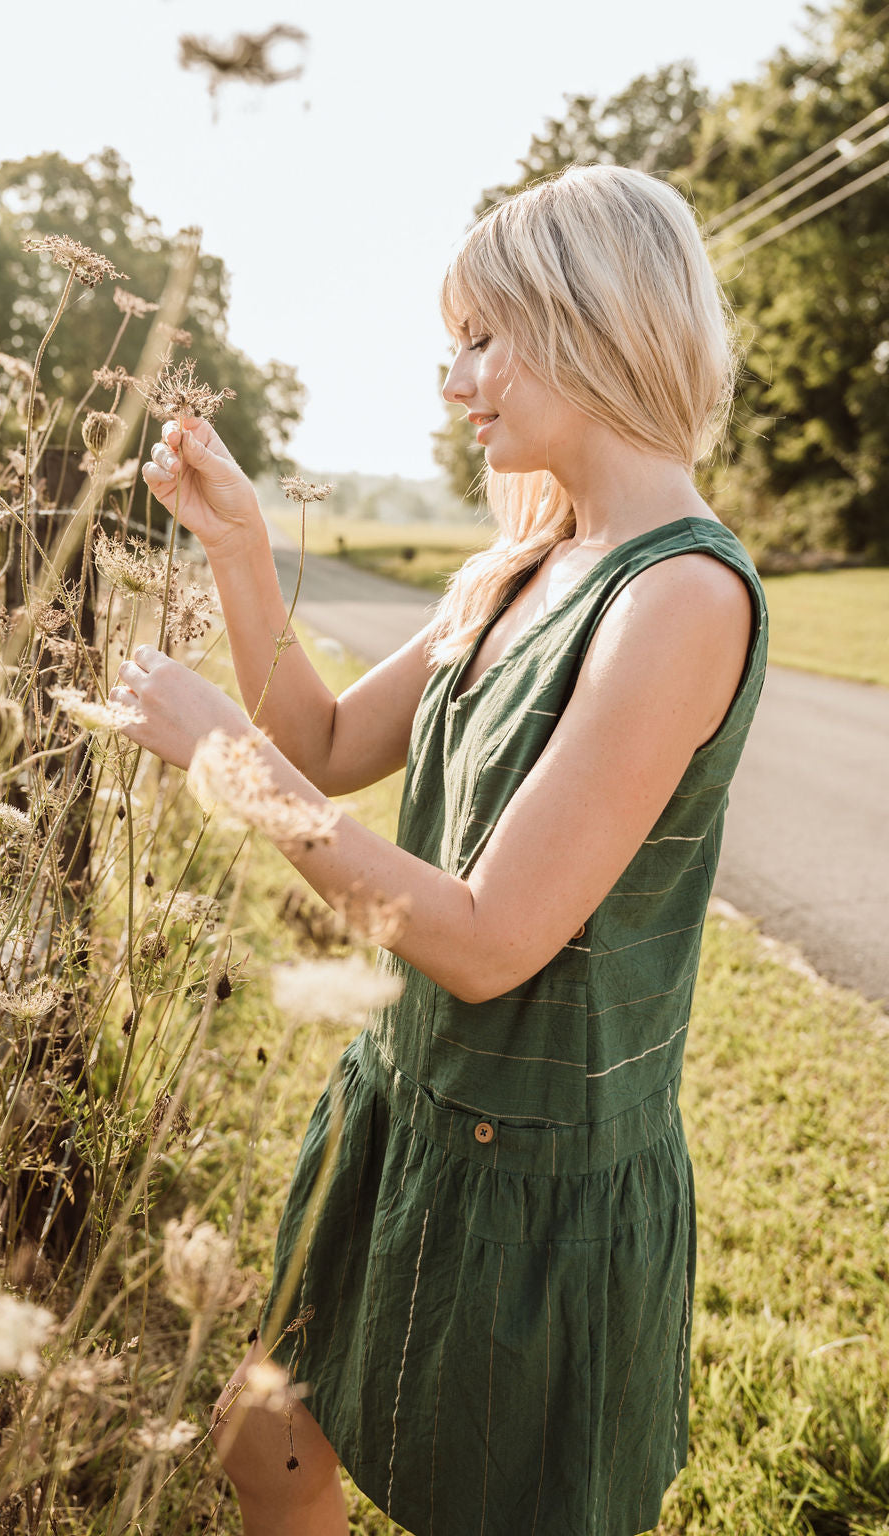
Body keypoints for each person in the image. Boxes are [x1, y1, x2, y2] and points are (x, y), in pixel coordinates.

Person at [110, 163, 768, 1536]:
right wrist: (241, 545)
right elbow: (334, 738)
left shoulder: (683, 595)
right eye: (451, 338)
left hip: (536, 1170)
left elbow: (483, 941)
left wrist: (223, 764)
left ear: (592, 322)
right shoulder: (528, 562)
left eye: (483, 336)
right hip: (401, 1105)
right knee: (267, 1438)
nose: (454, 373)